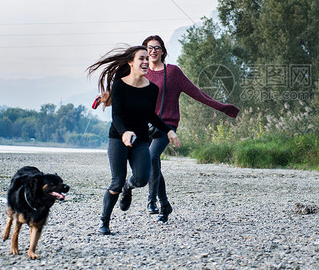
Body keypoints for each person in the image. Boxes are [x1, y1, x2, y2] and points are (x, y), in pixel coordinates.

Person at [142, 35, 240, 222]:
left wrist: (223, 107)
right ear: (145, 51)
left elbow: (197, 93)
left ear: (163, 50)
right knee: (152, 164)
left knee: (152, 157)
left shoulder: (172, 73)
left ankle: (151, 200)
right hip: (144, 125)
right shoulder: (142, 72)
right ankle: (165, 205)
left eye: (156, 47)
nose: (153, 51)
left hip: (166, 125)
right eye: (149, 48)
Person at [86, 45, 181, 235]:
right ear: (131, 63)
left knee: (142, 178)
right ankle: (104, 222)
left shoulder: (152, 89)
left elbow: (151, 116)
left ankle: (128, 188)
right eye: (141, 58)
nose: (146, 62)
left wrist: (168, 130)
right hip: (118, 138)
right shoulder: (119, 84)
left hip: (141, 140)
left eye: (147, 58)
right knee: (116, 182)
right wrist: (124, 133)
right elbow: (117, 116)